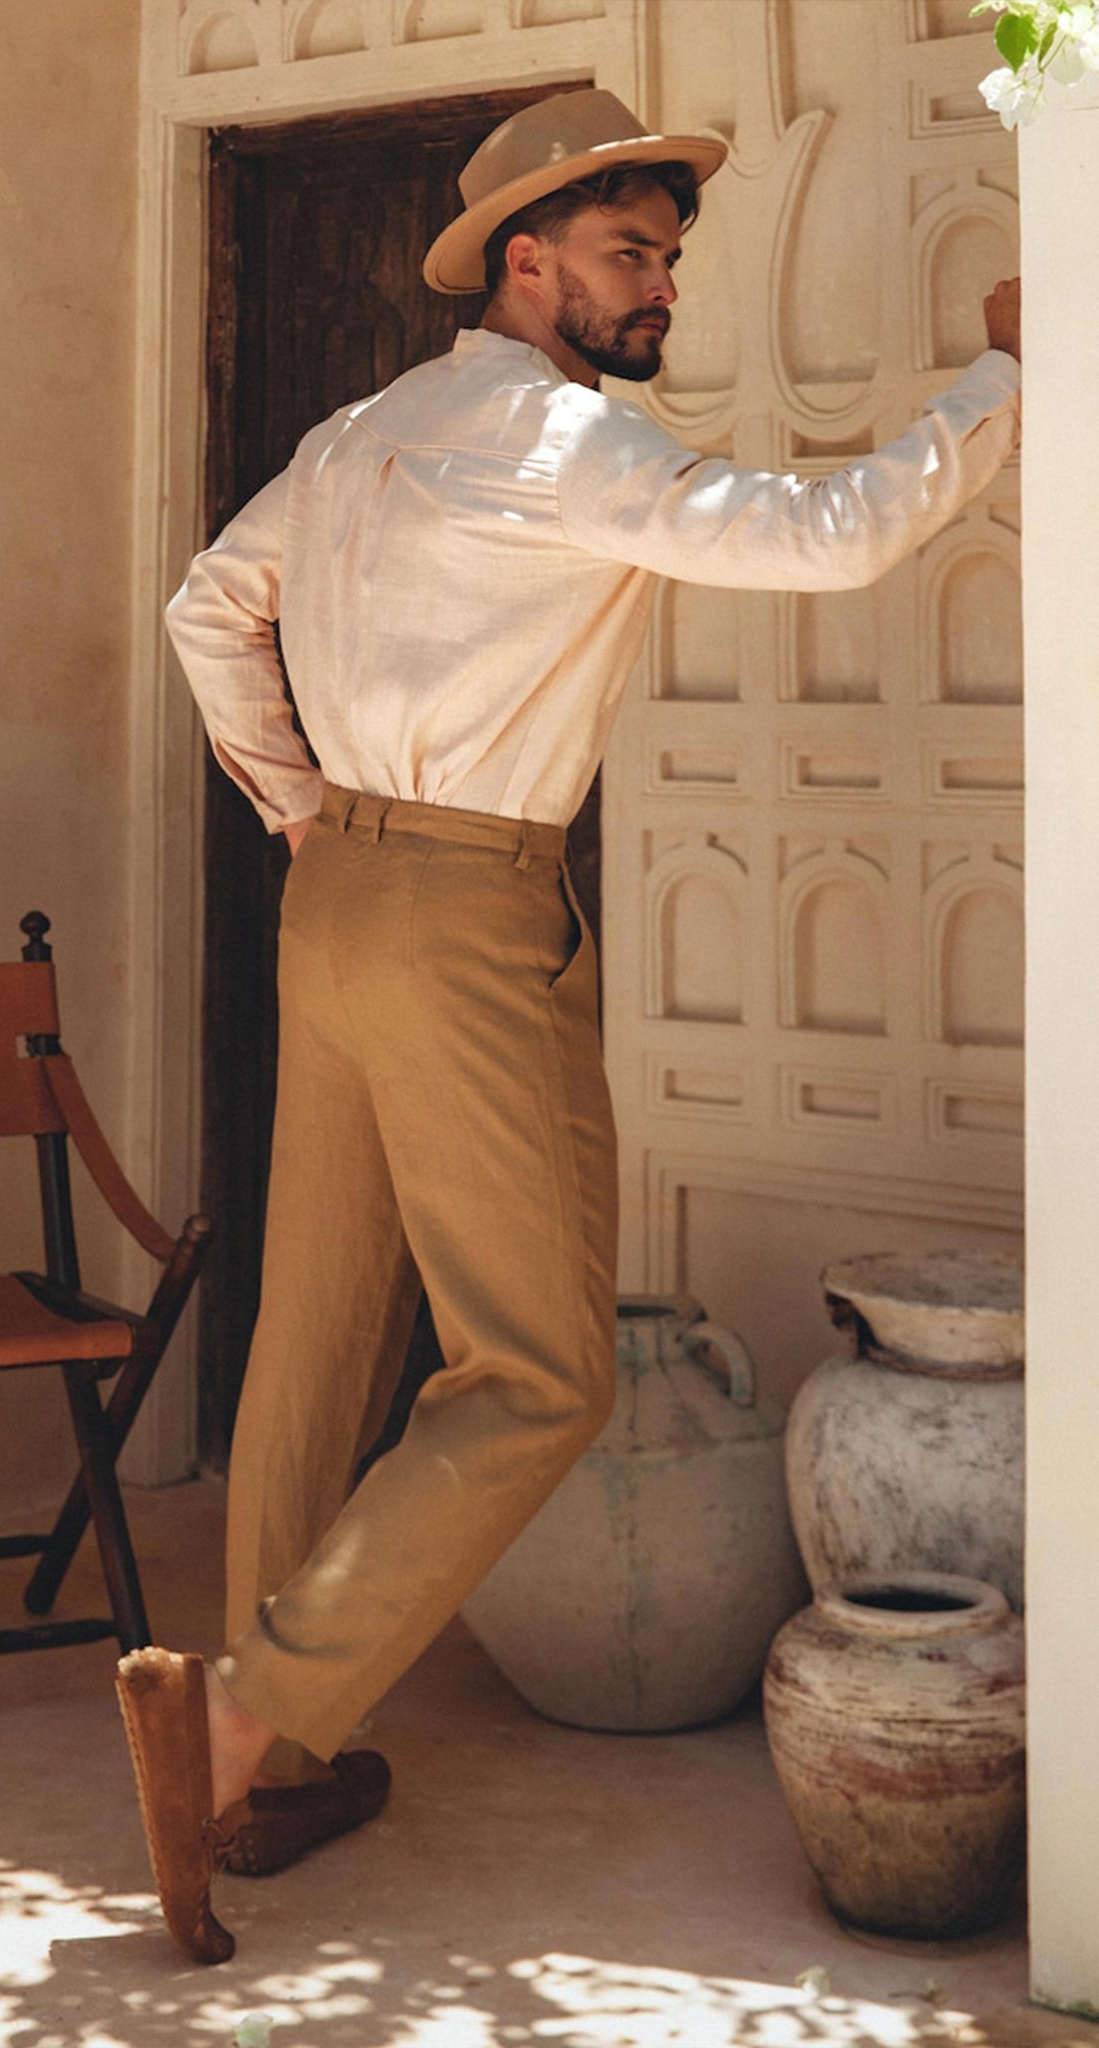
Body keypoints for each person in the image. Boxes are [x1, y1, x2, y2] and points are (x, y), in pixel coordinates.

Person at [117, 86, 1023, 1964]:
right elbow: (836, 533)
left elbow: (213, 605)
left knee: (317, 1329)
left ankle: (275, 1764)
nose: (657, 286)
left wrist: (296, 808)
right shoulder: (554, 440)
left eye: (668, 257)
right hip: (462, 911)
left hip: (338, 895)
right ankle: (242, 1719)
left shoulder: (363, 429)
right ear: (522, 261)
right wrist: (992, 384)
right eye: (628, 254)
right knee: (537, 1370)